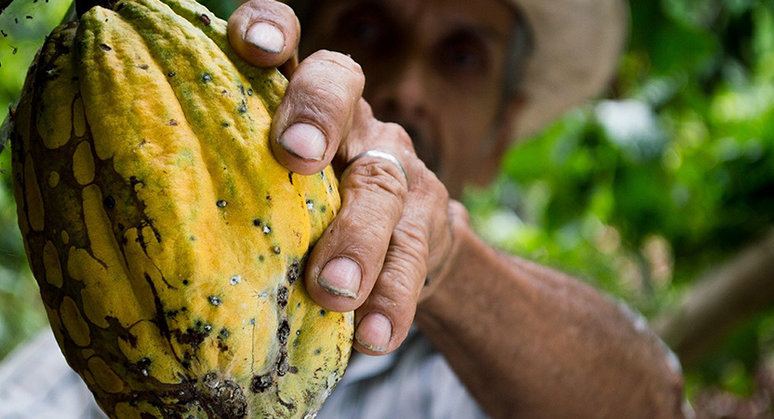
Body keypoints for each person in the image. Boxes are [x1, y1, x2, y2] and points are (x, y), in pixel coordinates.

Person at [0, 0, 690, 417]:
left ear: (499, 137)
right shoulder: (110, 337)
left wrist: (443, 258)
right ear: (285, 56)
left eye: (461, 55)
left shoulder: (491, 375)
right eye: (366, 22)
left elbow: (652, 403)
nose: (406, 85)